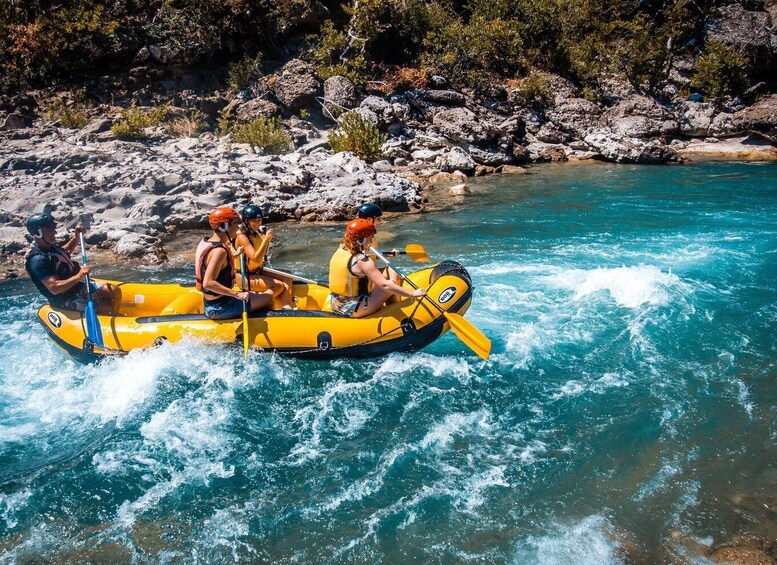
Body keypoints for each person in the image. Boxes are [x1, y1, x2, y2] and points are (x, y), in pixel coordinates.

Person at [24, 212, 121, 314]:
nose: (55, 232)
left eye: (53, 227)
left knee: (113, 290)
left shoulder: (50, 247)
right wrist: (79, 276)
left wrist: (76, 238)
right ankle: (107, 314)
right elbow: (54, 288)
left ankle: (110, 315)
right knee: (106, 310)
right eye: (49, 229)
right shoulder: (38, 260)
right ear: (37, 232)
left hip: (75, 287)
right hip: (64, 299)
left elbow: (63, 254)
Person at [328, 218, 425, 318]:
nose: (371, 241)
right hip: (353, 309)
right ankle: (395, 310)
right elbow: (385, 285)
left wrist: (387, 255)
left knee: (389, 273)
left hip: (336, 305)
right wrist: (412, 294)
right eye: (370, 238)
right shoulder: (362, 260)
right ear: (361, 240)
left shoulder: (342, 248)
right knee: (391, 285)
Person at [195, 207, 273, 320]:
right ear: (225, 226)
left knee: (258, 296)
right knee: (269, 298)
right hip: (220, 307)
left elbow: (211, 261)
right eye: (236, 223)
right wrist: (237, 294)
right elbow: (208, 283)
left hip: (213, 302)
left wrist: (234, 255)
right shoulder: (219, 251)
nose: (238, 227)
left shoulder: (206, 241)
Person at [233, 204, 294, 309]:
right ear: (246, 221)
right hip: (245, 277)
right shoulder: (242, 237)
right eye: (254, 221)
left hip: (257, 270)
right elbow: (255, 258)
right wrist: (266, 240)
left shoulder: (256, 234)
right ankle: (260, 302)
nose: (258, 223)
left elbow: (261, 256)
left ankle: (286, 306)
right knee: (278, 285)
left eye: (259, 220)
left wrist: (267, 240)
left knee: (287, 275)